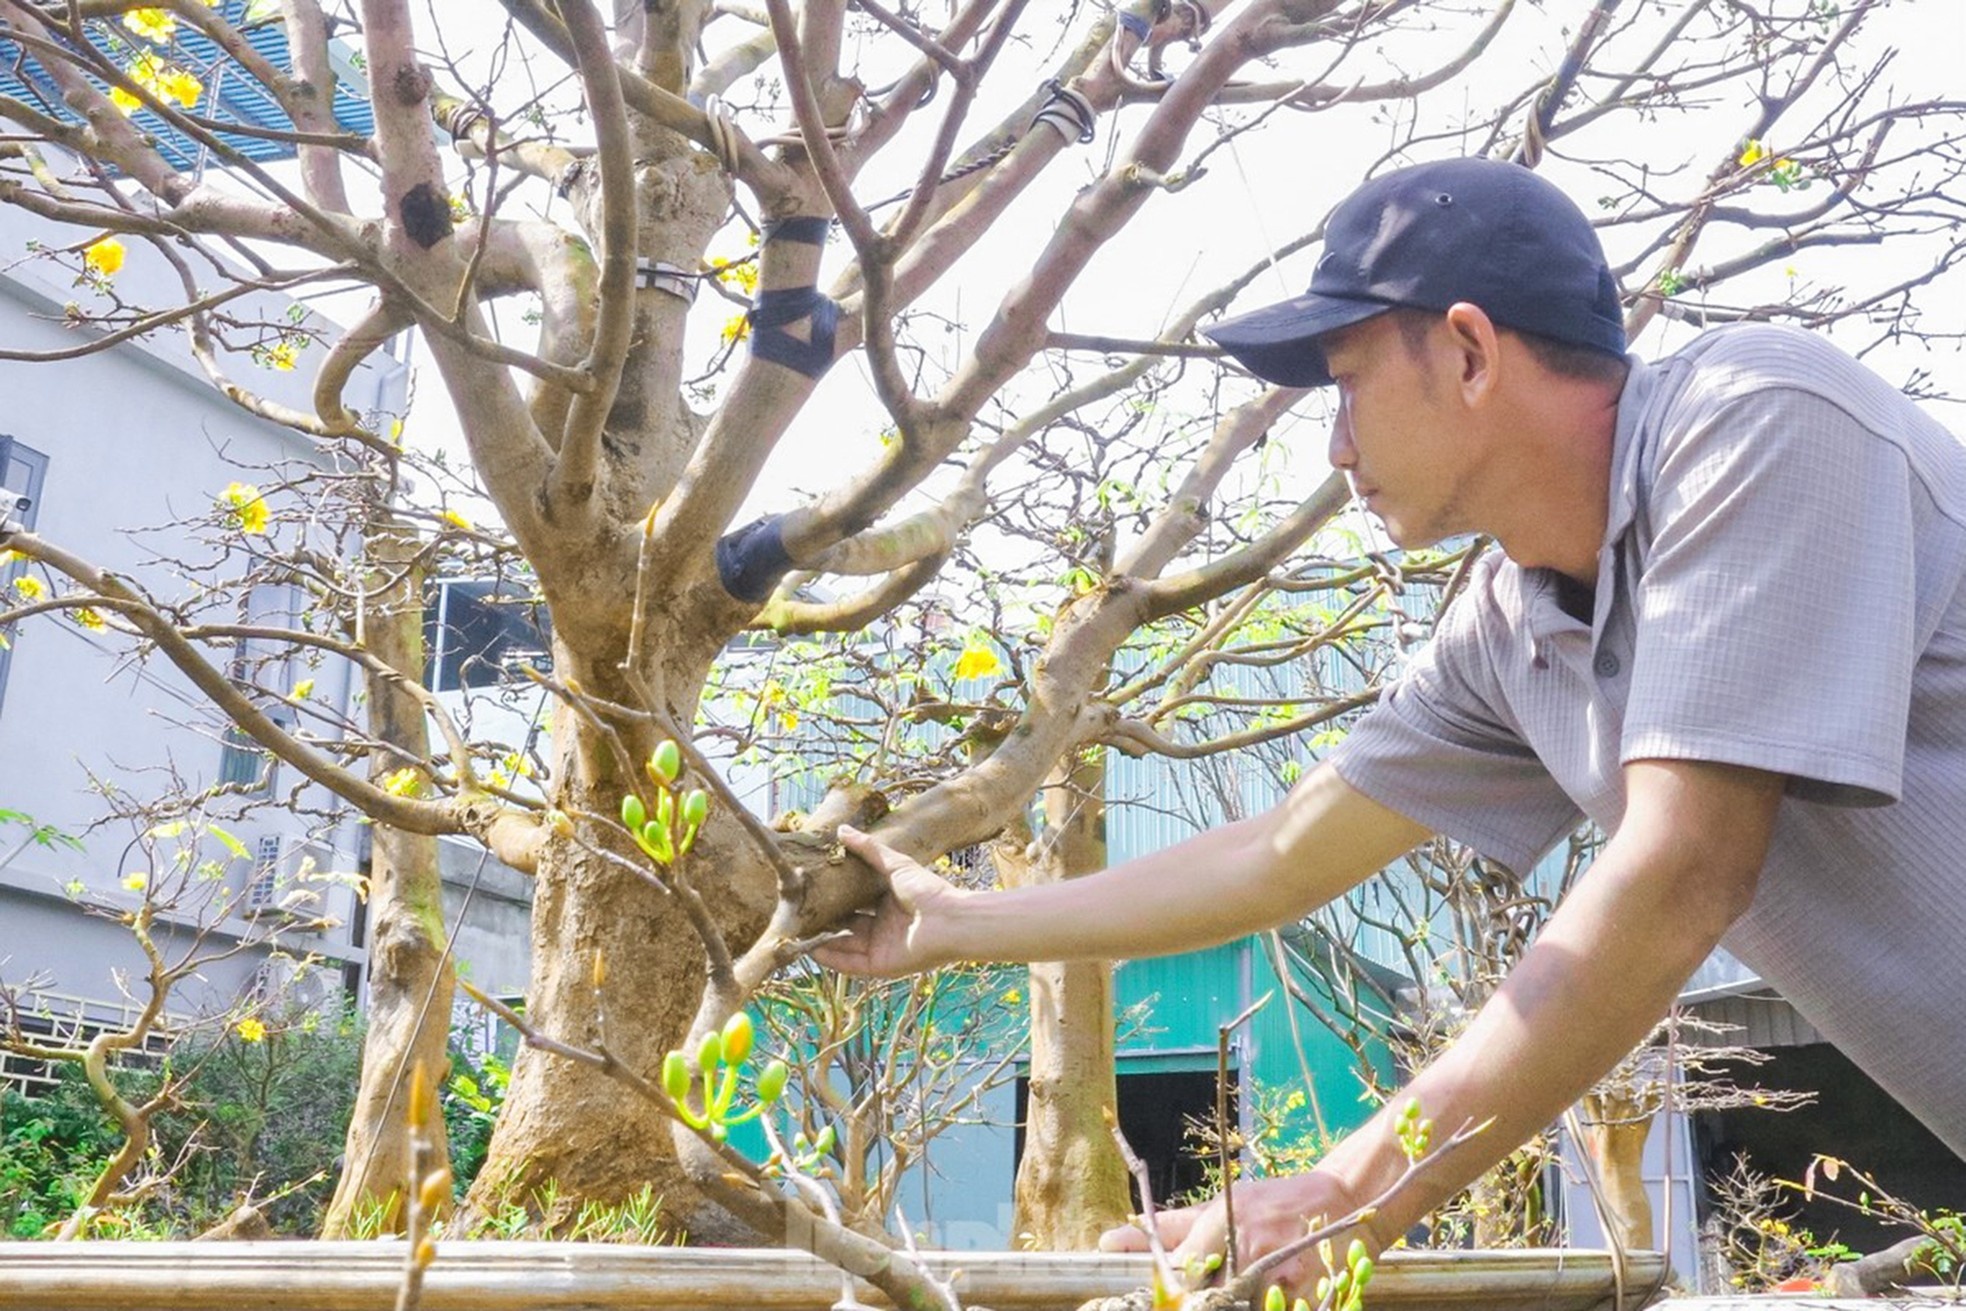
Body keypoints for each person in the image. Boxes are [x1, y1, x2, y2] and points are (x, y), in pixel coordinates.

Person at [818, 156, 1966, 1284]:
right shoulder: (1510, 627)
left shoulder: (1757, 419)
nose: (1336, 446)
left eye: (1347, 385)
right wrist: (962, 923)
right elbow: (1279, 856)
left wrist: (1348, 1190)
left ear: (1468, 352)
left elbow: (1682, 866)